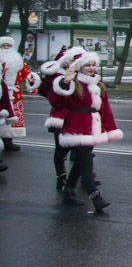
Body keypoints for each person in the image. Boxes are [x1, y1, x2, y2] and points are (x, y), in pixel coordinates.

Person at [52, 52, 122, 210]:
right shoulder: (73, 83)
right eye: (87, 65)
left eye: (93, 65)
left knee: (80, 162)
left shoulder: (97, 83)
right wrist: (65, 83)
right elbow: (56, 101)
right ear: (79, 67)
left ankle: (69, 192)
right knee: (86, 163)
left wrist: (110, 129)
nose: (91, 68)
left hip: (92, 127)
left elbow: (105, 109)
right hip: (76, 126)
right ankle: (96, 196)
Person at [39, 46, 86, 192]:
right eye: (73, 59)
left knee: (83, 151)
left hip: (80, 118)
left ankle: (85, 176)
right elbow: (46, 92)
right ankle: (61, 176)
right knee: (61, 150)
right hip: (61, 117)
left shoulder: (85, 75)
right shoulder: (58, 75)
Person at [0, 36, 41, 152]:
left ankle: (9, 139)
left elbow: (26, 72)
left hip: (15, 92)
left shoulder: (18, 60)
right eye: (3, 46)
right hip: (1, 92)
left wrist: (31, 79)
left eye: (9, 46)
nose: (6, 48)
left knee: (13, 116)